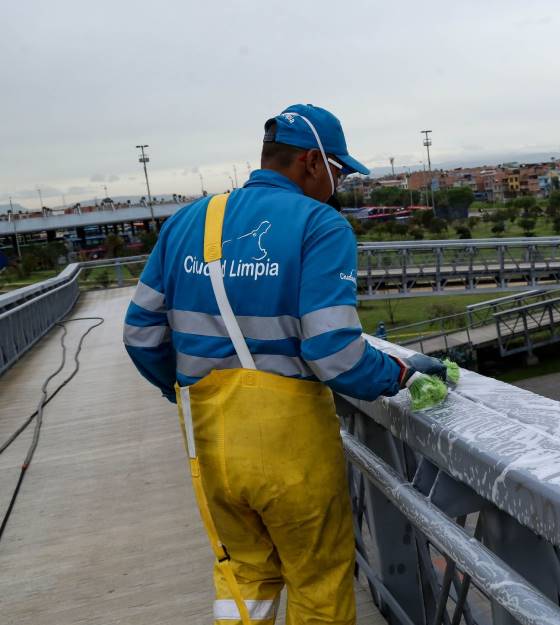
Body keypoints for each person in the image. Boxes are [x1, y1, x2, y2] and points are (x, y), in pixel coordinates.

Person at [123, 104, 448, 625]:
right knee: (317, 580)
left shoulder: (188, 220)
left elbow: (140, 335)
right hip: (290, 450)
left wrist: (189, 391)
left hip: (207, 442)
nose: (337, 186)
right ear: (312, 163)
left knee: (244, 577)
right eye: (338, 171)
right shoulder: (320, 225)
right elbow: (335, 353)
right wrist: (401, 375)